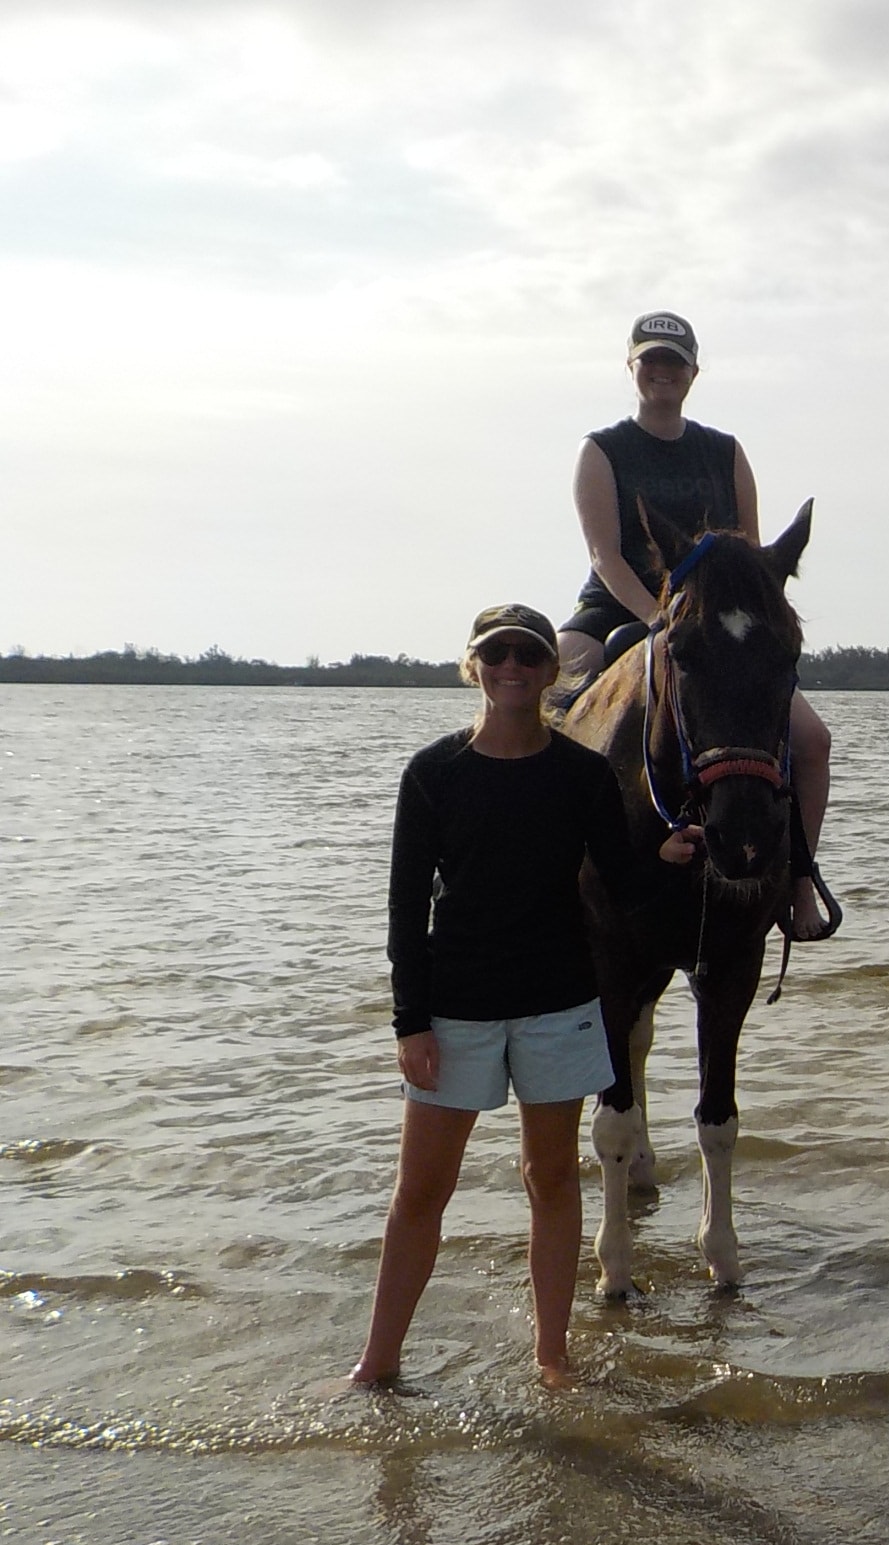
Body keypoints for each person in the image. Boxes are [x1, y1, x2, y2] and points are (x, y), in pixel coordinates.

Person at [351, 603, 701, 1388]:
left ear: (551, 672)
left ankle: (552, 1355)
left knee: (549, 1180)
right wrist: (411, 1023)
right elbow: (406, 908)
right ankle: (376, 1364)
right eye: (496, 653)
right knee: (419, 1194)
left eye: (529, 655)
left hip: (559, 1005)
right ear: (474, 666)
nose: (512, 666)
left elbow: (621, 881)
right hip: (456, 1009)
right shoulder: (433, 773)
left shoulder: (582, 776)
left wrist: (669, 856)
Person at [558, 310, 834, 939]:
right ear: (632, 368)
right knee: (548, 703)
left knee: (812, 742)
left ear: (693, 373)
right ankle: (541, 877)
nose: (662, 372)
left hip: (709, 619)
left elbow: (753, 556)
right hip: (619, 606)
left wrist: (705, 623)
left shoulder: (725, 450)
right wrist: (660, 621)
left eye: (674, 363)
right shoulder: (601, 449)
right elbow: (604, 554)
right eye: (650, 360)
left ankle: (798, 884)